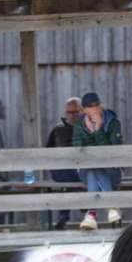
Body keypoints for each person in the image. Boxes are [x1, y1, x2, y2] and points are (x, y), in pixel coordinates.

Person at [73, 91, 123, 231]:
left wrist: (98, 130)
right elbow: (78, 149)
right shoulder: (79, 125)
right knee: (93, 167)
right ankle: (112, 207)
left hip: (112, 170)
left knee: (95, 169)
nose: (95, 109)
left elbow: (112, 150)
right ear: (84, 110)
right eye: (91, 106)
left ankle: (91, 215)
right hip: (86, 169)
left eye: (97, 105)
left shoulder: (113, 122)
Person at [45, 97, 83, 230]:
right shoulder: (57, 129)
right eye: (69, 112)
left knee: (70, 182)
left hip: (81, 168)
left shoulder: (87, 128)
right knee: (68, 172)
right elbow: (47, 151)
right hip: (60, 169)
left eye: (75, 112)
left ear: (82, 111)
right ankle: (83, 198)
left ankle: (62, 219)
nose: (72, 116)